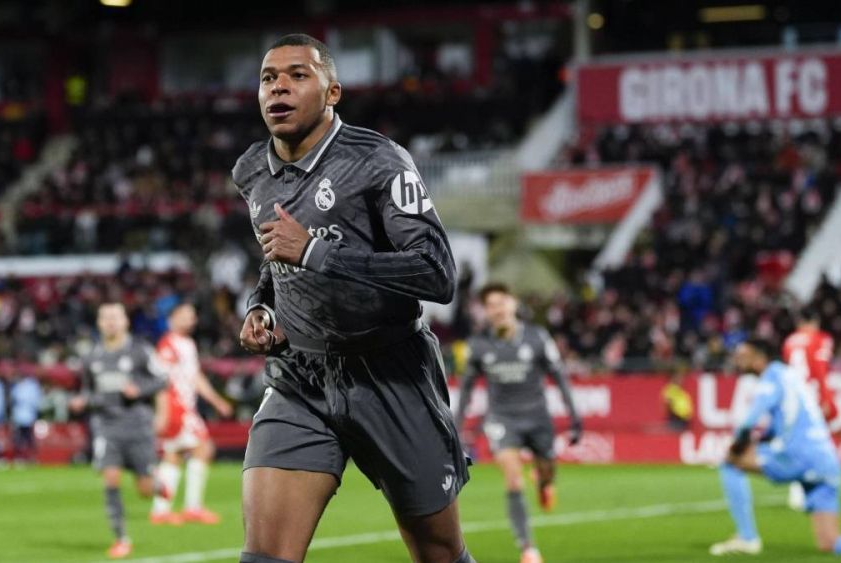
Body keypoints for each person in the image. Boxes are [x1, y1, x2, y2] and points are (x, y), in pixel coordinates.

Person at [233, 34, 473, 563]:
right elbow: (278, 256)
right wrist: (262, 306)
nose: (279, 87)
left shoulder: (378, 160)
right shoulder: (251, 171)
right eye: (269, 77)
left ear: (332, 91)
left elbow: (438, 273)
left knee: (439, 554)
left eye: (298, 75)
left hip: (390, 374)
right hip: (300, 378)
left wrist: (319, 253)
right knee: (264, 556)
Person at [709, 339, 841, 559]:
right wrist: (761, 440)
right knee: (831, 542)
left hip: (800, 455)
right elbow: (783, 424)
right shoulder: (792, 377)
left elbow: (750, 420)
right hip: (827, 461)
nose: (738, 359)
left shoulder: (773, 375)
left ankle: (747, 538)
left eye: (743, 355)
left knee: (730, 463)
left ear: (759, 358)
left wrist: (737, 445)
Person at [455, 283, 582, 563]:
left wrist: (575, 417)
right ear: (485, 312)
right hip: (502, 419)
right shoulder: (477, 344)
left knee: (547, 470)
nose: (497, 309)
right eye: (490, 305)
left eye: (501, 302)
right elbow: (466, 389)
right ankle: (528, 548)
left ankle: (544, 481)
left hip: (537, 417)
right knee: (513, 479)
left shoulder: (537, 337)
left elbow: (559, 376)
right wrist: (456, 426)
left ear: (513, 304)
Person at [69, 303, 170, 559]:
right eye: (105, 317)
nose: (111, 321)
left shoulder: (140, 350)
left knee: (144, 490)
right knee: (111, 479)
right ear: (99, 323)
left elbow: (162, 378)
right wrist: (82, 400)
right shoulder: (91, 356)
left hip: (137, 425)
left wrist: (140, 389)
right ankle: (121, 539)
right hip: (106, 427)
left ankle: (157, 483)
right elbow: (88, 389)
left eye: (116, 317)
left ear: (125, 321)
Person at [150, 303, 233, 525]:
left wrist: (216, 401)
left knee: (174, 455)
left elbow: (195, 377)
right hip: (176, 407)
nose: (191, 320)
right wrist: (163, 410)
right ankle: (190, 508)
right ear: (172, 319)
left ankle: (162, 510)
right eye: (186, 316)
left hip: (185, 406)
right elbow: (161, 381)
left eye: (193, 316)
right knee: (203, 449)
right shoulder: (168, 344)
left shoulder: (187, 344)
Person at [783, 308, 841, 510]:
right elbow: (821, 370)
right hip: (816, 396)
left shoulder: (789, 342)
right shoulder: (821, 339)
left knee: (800, 446)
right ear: (814, 322)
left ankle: (796, 496)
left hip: (796, 400)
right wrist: (825, 397)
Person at [9, 369, 43, 464]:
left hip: (27, 416)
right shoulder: (19, 386)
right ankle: (22, 457)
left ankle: (29, 457)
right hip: (20, 416)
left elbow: (34, 401)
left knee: (27, 438)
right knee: (20, 438)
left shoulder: (29, 386)